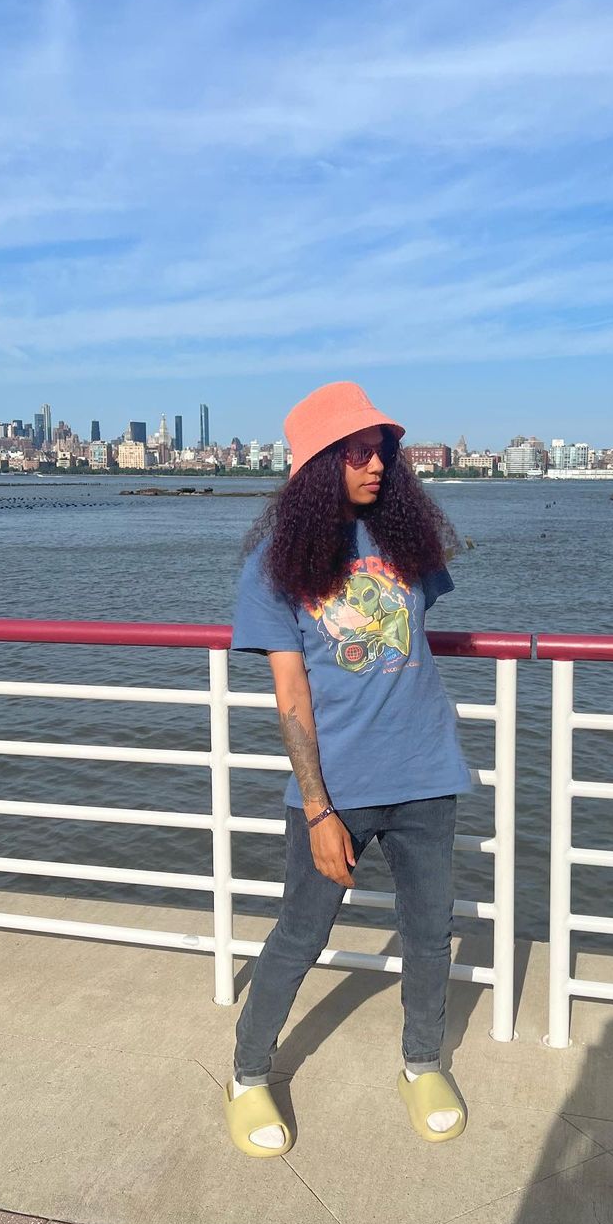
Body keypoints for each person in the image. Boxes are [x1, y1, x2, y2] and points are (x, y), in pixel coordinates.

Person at [224, 381, 471, 1157]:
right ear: (317, 464)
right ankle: (248, 1074)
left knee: (429, 935)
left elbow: (411, 639)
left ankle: (422, 1063)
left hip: (427, 771)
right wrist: (319, 808)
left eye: (381, 452)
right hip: (338, 788)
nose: (375, 465)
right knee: (300, 935)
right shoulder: (275, 564)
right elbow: (291, 692)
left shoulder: (405, 542)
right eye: (356, 453)